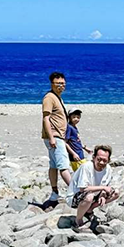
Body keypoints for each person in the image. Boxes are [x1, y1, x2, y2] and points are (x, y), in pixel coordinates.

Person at [71, 145, 120, 229]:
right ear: (93, 157)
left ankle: (89, 209)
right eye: (99, 159)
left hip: (94, 194)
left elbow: (105, 185)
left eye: (104, 160)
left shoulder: (108, 169)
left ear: (108, 160)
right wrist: (103, 189)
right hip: (75, 197)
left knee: (116, 192)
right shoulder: (86, 166)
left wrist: (102, 196)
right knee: (89, 196)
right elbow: (83, 188)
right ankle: (78, 220)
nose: (101, 162)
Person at [42, 72, 72, 203]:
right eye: (58, 83)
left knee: (53, 165)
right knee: (63, 165)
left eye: (63, 84)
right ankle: (76, 191)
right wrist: (52, 137)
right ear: (52, 84)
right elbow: (46, 118)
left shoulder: (57, 97)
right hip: (54, 136)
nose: (61, 86)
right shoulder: (49, 98)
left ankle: (54, 193)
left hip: (58, 136)